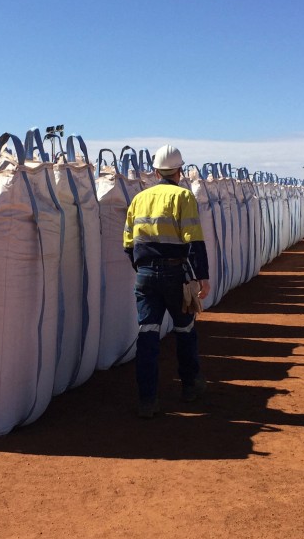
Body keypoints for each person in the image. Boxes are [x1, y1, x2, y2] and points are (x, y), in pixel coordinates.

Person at [123, 144, 211, 419]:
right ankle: (190, 387)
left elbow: (128, 243)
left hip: (145, 276)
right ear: (179, 170)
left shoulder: (140, 198)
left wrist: (143, 269)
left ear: (155, 170)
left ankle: (147, 400)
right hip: (176, 276)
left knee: (147, 336)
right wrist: (201, 276)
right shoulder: (183, 196)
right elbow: (194, 239)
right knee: (185, 331)